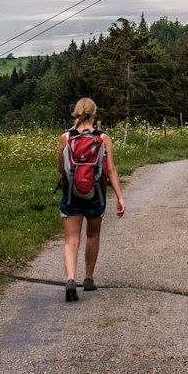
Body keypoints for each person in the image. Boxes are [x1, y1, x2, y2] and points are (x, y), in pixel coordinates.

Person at [58, 97, 125, 302]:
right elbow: (111, 170)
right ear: (95, 114)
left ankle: (70, 278)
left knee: (71, 239)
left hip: (71, 195)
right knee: (92, 236)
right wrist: (120, 198)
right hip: (96, 194)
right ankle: (88, 278)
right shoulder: (103, 138)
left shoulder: (65, 138)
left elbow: (60, 168)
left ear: (76, 112)